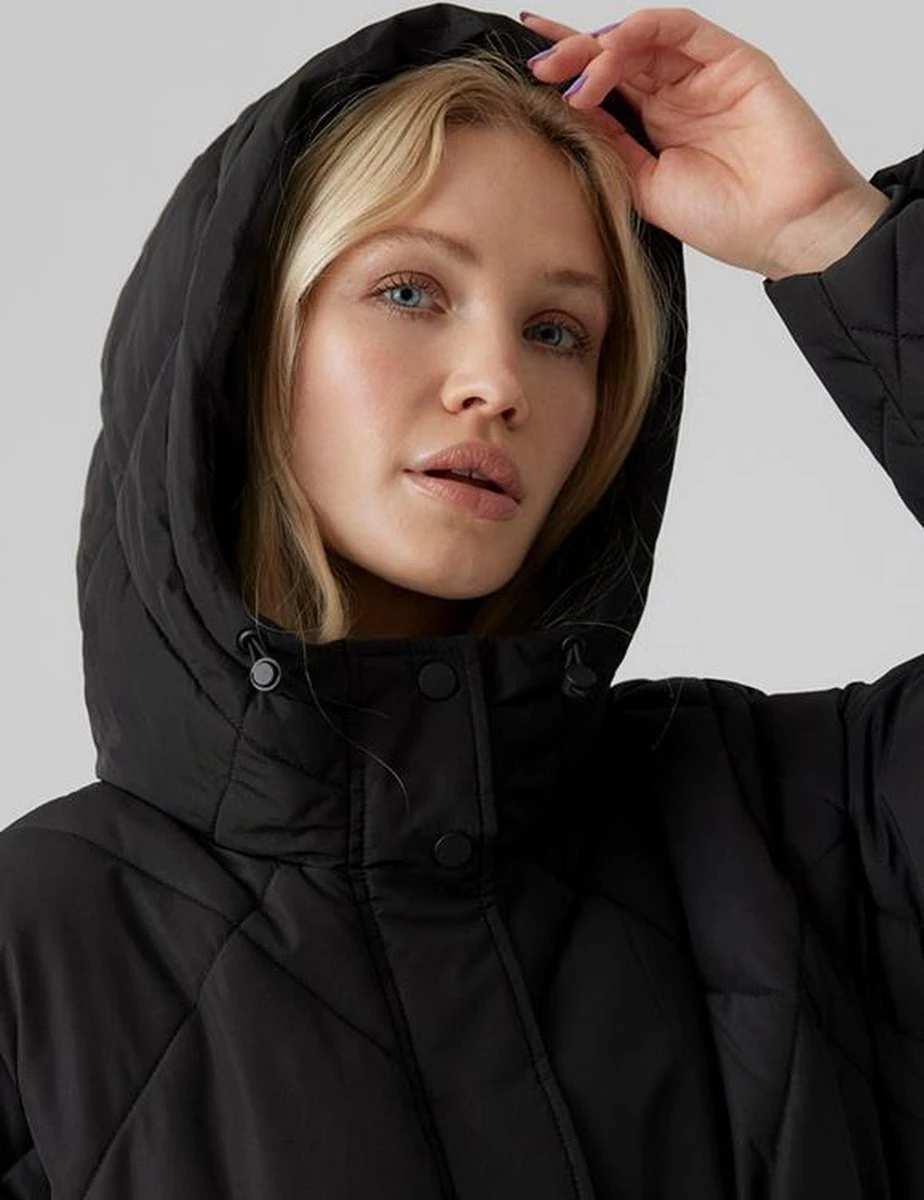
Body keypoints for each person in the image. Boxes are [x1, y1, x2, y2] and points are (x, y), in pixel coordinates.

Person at [0, 3, 920, 1196]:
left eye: (558, 330)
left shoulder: (793, 824)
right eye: (409, 292)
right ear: (247, 339)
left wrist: (832, 234)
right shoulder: (37, 954)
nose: (497, 383)